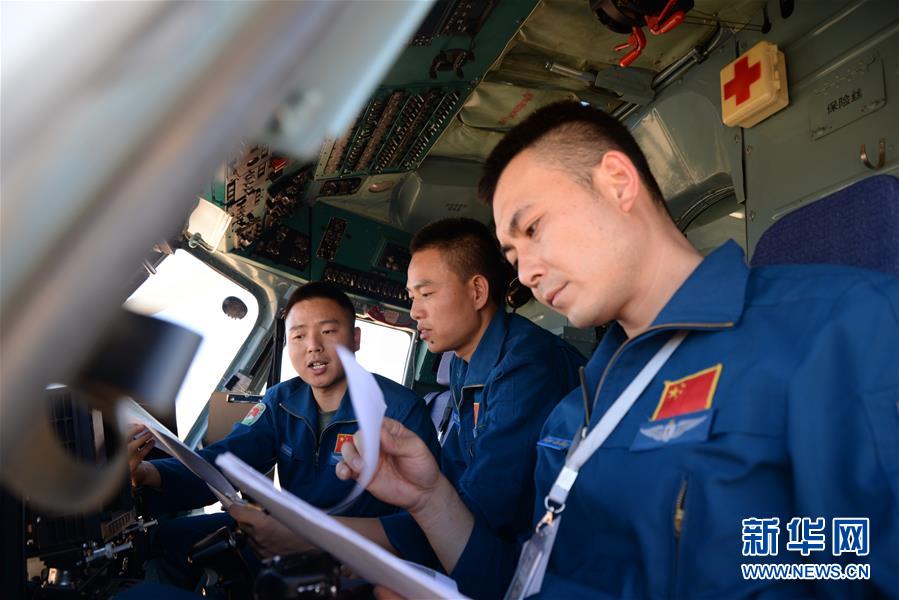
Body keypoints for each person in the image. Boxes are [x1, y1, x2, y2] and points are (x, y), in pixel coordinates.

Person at [337, 101, 899, 598]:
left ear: (617, 183)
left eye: (533, 229)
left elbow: (857, 563)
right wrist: (429, 500)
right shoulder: (575, 412)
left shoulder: (839, 327)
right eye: (512, 257)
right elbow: (527, 579)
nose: (526, 272)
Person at [129, 281, 439, 584]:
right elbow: (224, 462)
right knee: (165, 540)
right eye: (298, 336)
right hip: (285, 535)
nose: (313, 346)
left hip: (357, 556)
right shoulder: (281, 401)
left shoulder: (400, 410)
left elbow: (420, 522)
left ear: (355, 338)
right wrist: (146, 473)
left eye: (328, 332)